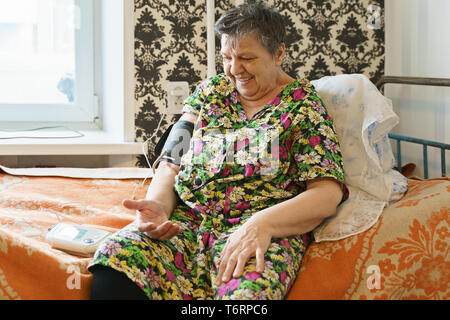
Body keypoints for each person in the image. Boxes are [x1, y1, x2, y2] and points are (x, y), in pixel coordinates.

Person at [88, 1, 348, 300]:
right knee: (116, 258)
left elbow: (327, 193)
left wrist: (261, 224)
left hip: (257, 229)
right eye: (227, 57)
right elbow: (172, 159)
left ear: (278, 54)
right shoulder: (212, 92)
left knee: (247, 298)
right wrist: (159, 205)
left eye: (247, 58)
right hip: (187, 220)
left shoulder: (303, 107)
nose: (234, 70)